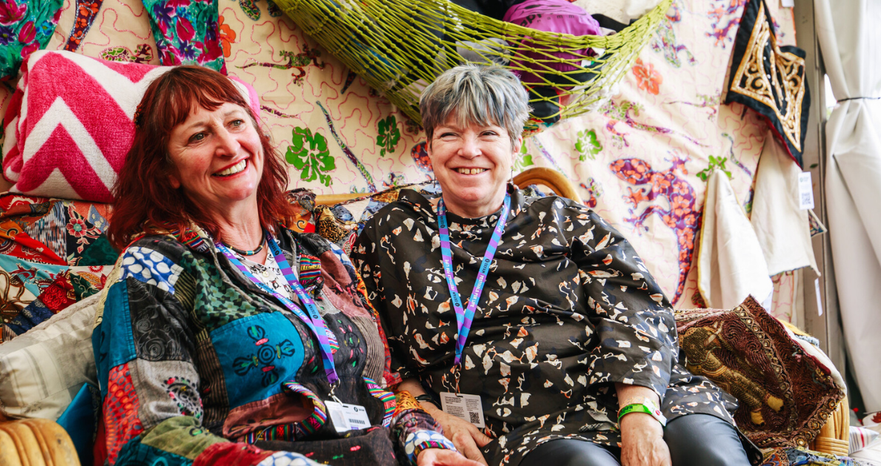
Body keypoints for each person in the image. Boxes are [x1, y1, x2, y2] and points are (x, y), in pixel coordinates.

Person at [350, 65, 758, 466]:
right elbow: (374, 350)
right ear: (429, 146)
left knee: (710, 457)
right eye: (450, 134)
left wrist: (639, 415)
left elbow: (638, 310)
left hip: (631, 391)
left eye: (488, 133)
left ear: (515, 146)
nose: (469, 150)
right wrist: (430, 415)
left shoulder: (563, 218)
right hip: (525, 427)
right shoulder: (394, 232)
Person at [95, 65, 481, 466]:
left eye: (235, 122)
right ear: (167, 172)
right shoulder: (155, 267)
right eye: (198, 136)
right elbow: (149, 436)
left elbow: (375, 389)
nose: (229, 145)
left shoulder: (322, 257)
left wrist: (425, 444)